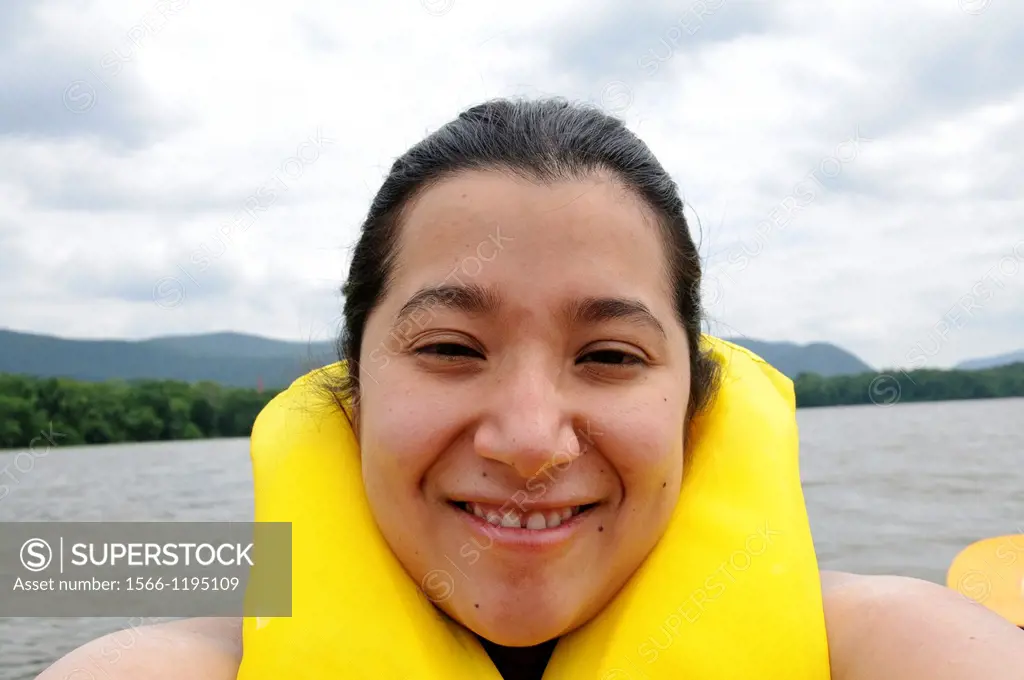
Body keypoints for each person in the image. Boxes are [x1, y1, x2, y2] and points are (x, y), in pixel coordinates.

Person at [37, 97, 1024, 680]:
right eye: (452, 347)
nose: (527, 436)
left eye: (607, 355)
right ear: (352, 392)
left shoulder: (877, 630)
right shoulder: (206, 616)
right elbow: (58, 575)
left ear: (694, 400)